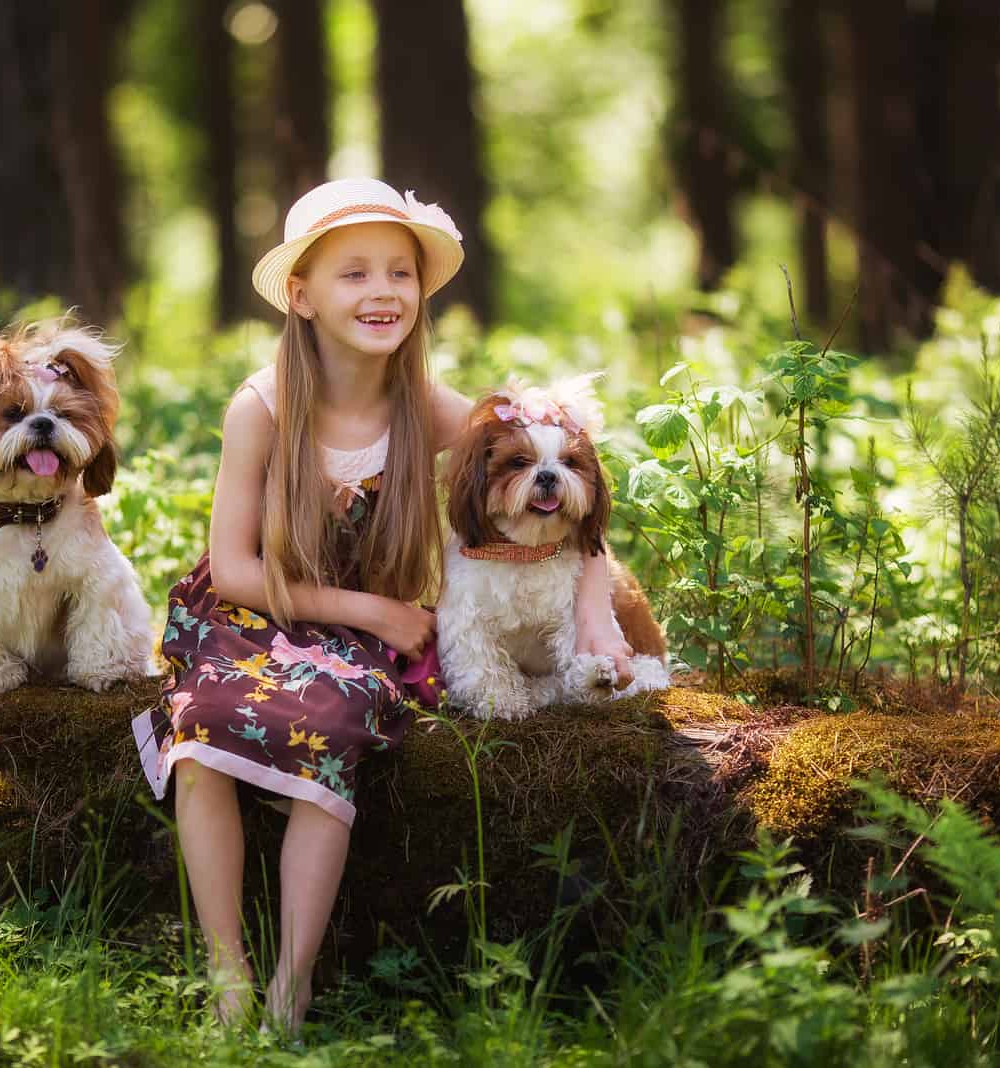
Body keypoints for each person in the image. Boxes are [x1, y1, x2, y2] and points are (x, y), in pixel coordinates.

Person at [130, 177, 635, 1031]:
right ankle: (228, 973)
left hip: (358, 646)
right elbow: (235, 568)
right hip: (255, 616)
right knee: (204, 729)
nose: (382, 292)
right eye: (354, 274)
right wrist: (382, 614)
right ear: (302, 295)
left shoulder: (434, 411)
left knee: (328, 727)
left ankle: (291, 987)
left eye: (399, 273)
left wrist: (593, 616)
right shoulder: (262, 408)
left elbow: (570, 508)